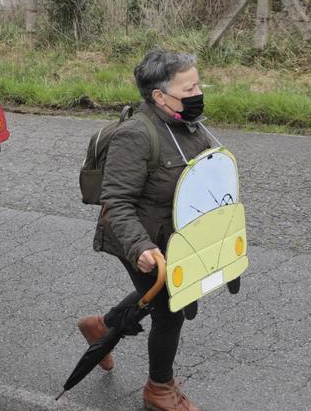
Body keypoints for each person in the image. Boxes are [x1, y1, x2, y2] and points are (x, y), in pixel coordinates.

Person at [81, 50, 218, 411]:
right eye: (189, 88)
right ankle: (159, 390)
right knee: (169, 310)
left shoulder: (191, 125)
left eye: (197, 84)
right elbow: (116, 203)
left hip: (177, 235)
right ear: (159, 96)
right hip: (140, 238)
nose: (197, 93)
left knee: (161, 293)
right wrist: (140, 246)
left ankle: (103, 326)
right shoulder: (136, 135)